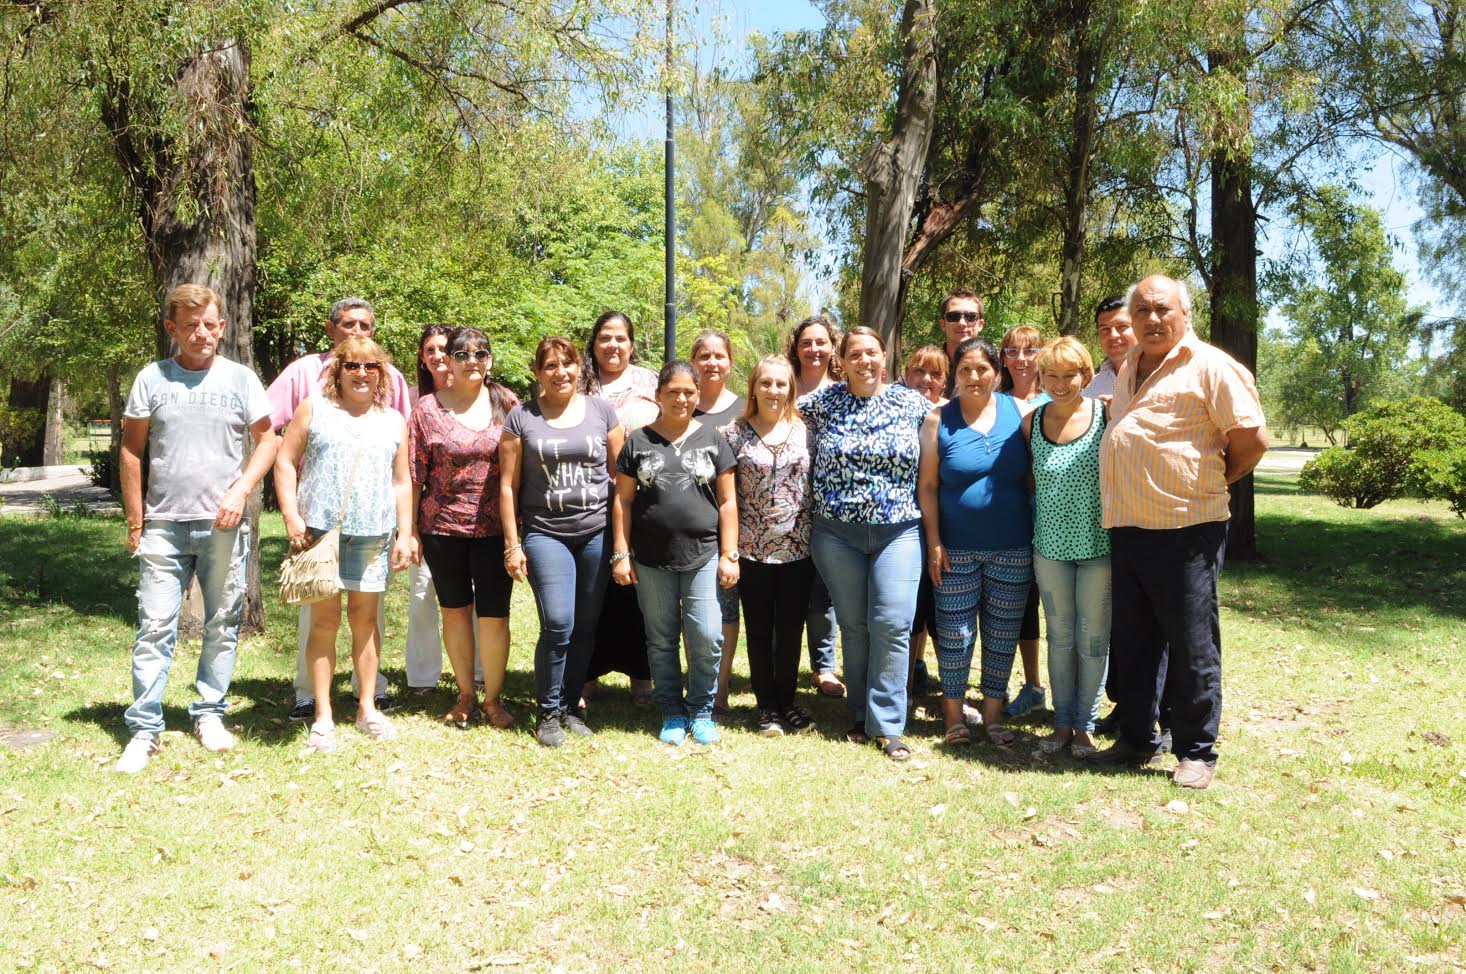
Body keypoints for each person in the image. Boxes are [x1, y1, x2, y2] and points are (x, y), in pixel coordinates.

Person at [1089, 274, 1268, 790]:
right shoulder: (1128, 368)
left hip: (1187, 528)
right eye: (1141, 310)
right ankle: (1137, 737)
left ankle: (1195, 750)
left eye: (1161, 309)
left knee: (1191, 643)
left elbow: (1252, 439)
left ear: (1184, 313)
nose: (1150, 319)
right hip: (1128, 525)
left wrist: (1213, 479)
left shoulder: (1210, 366)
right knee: (1135, 640)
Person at [115, 284, 278, 774]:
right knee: (155, 626)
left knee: (222, 623)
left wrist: (242, 490)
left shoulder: (241, 379)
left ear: (222, 327)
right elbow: (130, 451)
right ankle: (145, 728)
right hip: (164, 525)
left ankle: (209, 713)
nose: (202, 334)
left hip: (223, 524)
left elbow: (268, 440)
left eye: (210, 325)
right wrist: (136, 519)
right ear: (172, 330)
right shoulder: (152, 379)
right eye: (190, 326)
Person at [266, 297, 412, 720]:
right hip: (320, 530)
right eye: (351, 365)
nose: (362, 370)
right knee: (322, 622)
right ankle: (317, 707)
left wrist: (405, 532)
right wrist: (292, 516)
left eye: (370, 365)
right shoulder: (309, 396)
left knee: (367, 623)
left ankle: (368, 704)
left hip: (372, 532)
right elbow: (281, 454)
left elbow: (400, 476)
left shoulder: (392, 412)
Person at [801, 327, 929, 761]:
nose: (864, 361)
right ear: (843, 361)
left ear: (885, 357)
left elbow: (956, 419)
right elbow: (772, 412)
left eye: (871, 353)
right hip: (837, 532)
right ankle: (861, 713)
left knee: (892, 622)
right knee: (854, 625)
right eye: (855, 354)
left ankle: (888, 724)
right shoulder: (822, 402)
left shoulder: (911, 402)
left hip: (899, 530)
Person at [500, 337, 623, 747]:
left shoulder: (602, 411)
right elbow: (507, 487)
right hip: (545, 533)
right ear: (538, 373)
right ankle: (547, 712)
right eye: (550, 366)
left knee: (586, 624)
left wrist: (622, 543)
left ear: (578, 367)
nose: (560, 372)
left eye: (567, 364)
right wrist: (512, 544)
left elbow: (621, 480)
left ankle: (571, 706)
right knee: (558, 622)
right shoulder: (521, 418)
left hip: (596, 533)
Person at [611, 361, 739, 747]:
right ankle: (670, 710)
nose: (681, 399)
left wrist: (729, 554)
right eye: (673, 392)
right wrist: (621, 551)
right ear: (658, 396)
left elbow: (729, 503)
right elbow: (623, 500)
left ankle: (700, 709)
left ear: (697, 396)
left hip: (703, 554)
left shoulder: (714, 440)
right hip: (650, 558)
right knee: (662, 637)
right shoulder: (638, 441)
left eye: (688, 392)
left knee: (706, 634)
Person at [917, 337, 1036, 748]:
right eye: (965, 369)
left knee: (1002, 634)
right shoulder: (938, 420)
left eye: (982, 369)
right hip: (955, 547)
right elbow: (928, 486)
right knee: (955, 635)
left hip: (1013, 546)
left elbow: (1032, 476)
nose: (974, 377)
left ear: (996, 373)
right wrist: (934, 541)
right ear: (955, 374)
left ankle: (993, 714)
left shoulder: (1019, 413)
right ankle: (953, 716)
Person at [408, 327, 519, 730]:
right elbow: (414, 476)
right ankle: (465, 695)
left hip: (495, 528)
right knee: (454, 612)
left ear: (489, 360)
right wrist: (410, 531)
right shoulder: (426, 410)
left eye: (480, 353)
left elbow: (521, 469)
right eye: (462, 354)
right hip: (442, 528)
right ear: (448, 361)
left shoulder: (507, 403)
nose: (471, 361)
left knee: (495, 616)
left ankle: (493, 699)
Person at [1022, 337, 1110, 757]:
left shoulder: (1106, 415)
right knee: (1059, 637)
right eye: (1050, 375)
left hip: (1098, 546)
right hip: (1050, 548)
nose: (1060, 383)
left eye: (1069, 375)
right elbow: (1029, 483)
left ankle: (1085, 727)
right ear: (1040, 378)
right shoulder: (1031, 423)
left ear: (1086, 376)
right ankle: (1061, 723)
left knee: (1092, 640)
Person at [723, 356, 817, 736]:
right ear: (754, 388)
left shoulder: (807, 430)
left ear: (790, 389)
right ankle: (767, 708)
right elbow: (727, 496)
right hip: (752, 548)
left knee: (792, 628)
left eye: (781, 384)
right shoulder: (734, 433)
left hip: (799, 547)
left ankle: (787, 701)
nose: (774, 391)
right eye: (766, 383)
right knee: (759, 629)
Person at [581, 311, 658, 704]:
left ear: (631, 343)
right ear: (594, 343)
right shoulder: (577, 381)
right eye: (605, 338)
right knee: (594, 588)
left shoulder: (651, 382)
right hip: (589, 500)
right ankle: (587, 673)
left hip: (643, 501)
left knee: (636, 589)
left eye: (620, 338)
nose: (613, 345)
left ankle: (642, 676)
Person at [405, 324, 478, 694]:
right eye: (430, 349)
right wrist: (410, 527)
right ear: (423, 356)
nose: (437, 355)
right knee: (423, 596)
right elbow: (410, 470)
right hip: (429, 519)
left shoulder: (483, 397)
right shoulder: (412, 400)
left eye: (443, 349)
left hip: (479, 519)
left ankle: (477, 671)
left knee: (476, 600)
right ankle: (422, 677)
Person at [785, 314, 845, 698]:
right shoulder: (784, 388)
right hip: (787, 505)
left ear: (833, 347)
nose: (814, 349)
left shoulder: (843, 390)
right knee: (792, 590)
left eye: (821, 342)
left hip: (829, 506)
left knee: (824, 592)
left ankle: (824, 667)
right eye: (806, 342)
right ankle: (784, 663)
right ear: (796, 348)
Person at [691, 330, 747, 717]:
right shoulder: (679, 405)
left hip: (731, 523)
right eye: (704, 356)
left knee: (727, 611)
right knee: (693, 613)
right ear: (693, 362)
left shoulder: (743, 409)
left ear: (729, 361)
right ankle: (696, 681)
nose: (712, 363)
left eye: (719, 356)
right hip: (688, 527)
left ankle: (721, 687)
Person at [997, 324, 1051, 721]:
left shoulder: (1057, 398)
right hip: (1011, 513)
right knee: (1022, 602)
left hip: (1054, 513)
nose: (1021, 358)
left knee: (1063, 608)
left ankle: (1074, 692)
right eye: (1013, 351)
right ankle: (1031, 685)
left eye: (1030, 350)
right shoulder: (994, 403)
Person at [899, 345, 948, 698]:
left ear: (946, 381)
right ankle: (910, 672)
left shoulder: (953, 415)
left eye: (935, 374)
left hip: (947, 522)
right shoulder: (896, 410)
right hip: (903, 524)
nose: (926, 380)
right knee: (911, 604)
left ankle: (951, 683)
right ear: (905, 374)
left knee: (941, 604)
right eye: (919, 371)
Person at [1084, 295, 1137, 400]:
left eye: (1122, 326)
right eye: (1105, 329)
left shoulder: (1161, 377)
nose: (1113, 335)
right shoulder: (1090, 389)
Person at [938, 287, 985, 396]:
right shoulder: (925, 363)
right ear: (943, 324)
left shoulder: (996, 366)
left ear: (981, 325)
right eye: (953, 316)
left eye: (970, 317)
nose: (962, 323)